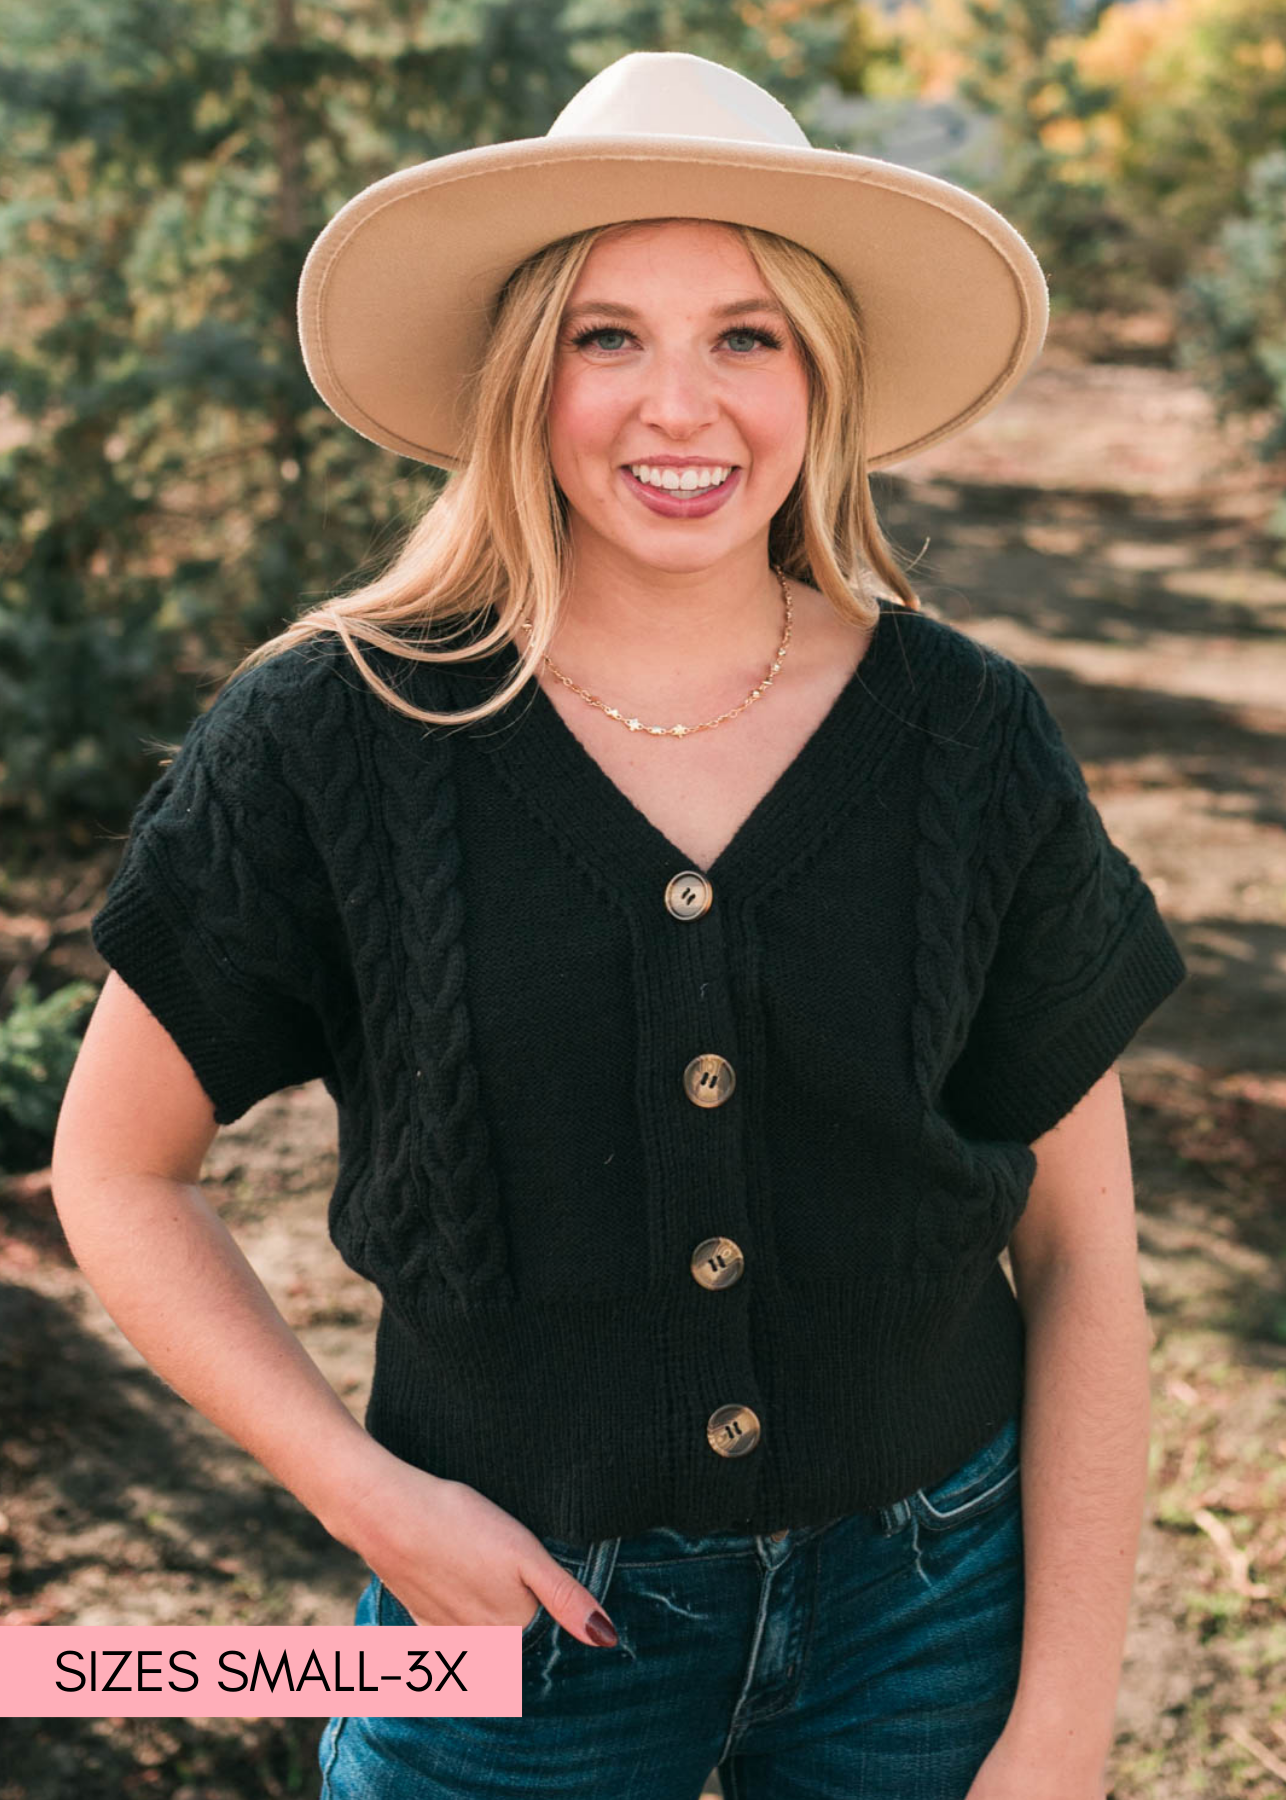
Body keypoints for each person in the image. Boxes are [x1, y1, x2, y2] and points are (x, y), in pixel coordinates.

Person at [52, 49, 1188, 1800]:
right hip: (500, 1613)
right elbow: (115, 1171)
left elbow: (1085, 1261)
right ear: (524, 376)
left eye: (747, 335)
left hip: (927, 1617)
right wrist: (367, 1500)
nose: (682, 407)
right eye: (607, 338)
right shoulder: (332, 738)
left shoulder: (963, 736)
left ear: (818, 377)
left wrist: (1058, 1720)